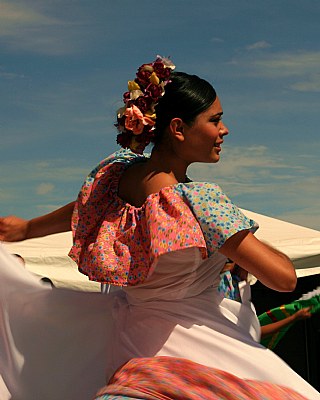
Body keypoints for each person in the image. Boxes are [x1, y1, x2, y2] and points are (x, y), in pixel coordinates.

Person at [0, 56, 319, 400]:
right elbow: (284, 279)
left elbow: (84, 207)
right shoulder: (202, 203)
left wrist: (27, 229)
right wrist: (237, 233)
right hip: (195, 351)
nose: (224, 131)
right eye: (215, 121)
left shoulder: (117, 176)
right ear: (179, 129)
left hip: (129, 346)